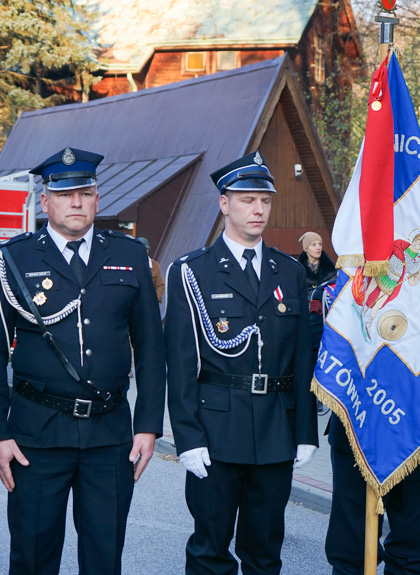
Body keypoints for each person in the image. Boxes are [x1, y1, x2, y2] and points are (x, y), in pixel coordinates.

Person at [0, 147, 166, 574]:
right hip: (34, 438)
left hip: (110, 436)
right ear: (45, 202)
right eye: (64, 194)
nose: (76, 202)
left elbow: (152, 347)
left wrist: (149, 425)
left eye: (85, 192)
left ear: (98, 198)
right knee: (32, 558)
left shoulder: (131, 256)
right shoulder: (13, 258)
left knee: (104, 560)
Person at [165, 150, 319, 575]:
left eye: (265, 200)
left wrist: (305, 430)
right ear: (224, 203)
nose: (258, 209)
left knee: (265, 551)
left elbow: (302, 357)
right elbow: (179, 364)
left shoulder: (288, 271)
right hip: (216, 432)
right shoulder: (192, 271)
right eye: (247, 199)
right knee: (210, 550)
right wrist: (187, 438)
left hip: (275, 430)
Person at [309, 280, 420, 575]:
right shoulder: (341, 290)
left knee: (414, 544)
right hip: (358, 430)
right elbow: (316, 356)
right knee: (352, 544)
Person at [297, 231, 336, 299]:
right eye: (314, 245)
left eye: (320, 244)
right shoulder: (298, 270)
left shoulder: (331, 269)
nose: (318, 248)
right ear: (306, 249)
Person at [138, 236, 166, 303]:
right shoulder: (129, 264)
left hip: (149, 304)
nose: (144, 252)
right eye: (141, 249)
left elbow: (160, 285)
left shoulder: (154, 265)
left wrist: (154, 299)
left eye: (146, 249)